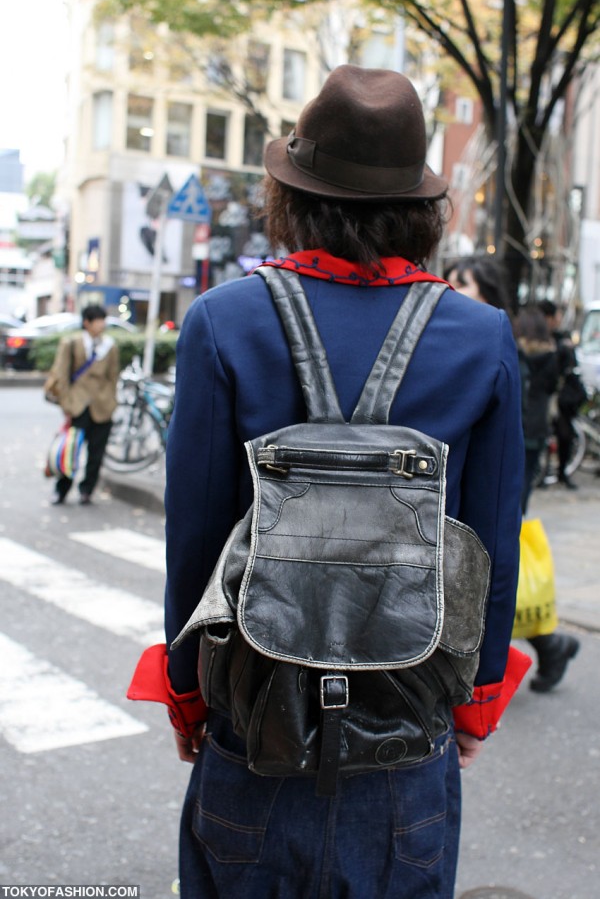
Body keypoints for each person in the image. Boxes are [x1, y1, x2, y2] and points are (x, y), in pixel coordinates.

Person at [128, 66, 530, 898]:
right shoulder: (481, 335)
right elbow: (491, 540)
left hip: (254, 727)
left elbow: (196, 535)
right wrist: (476, 701)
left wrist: (185, 697)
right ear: (420, 207)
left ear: (295, 195)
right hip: (406, 736)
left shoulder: (222, 322)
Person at [447, 255, 580, 693]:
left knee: (492, 556)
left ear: (485, 290)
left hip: (507, 464)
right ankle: (547, 644)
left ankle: (543, 644)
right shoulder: (463, 334)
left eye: (461, 282)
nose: (450, 287)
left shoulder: (497, 340)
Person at [44, 304, 119, 505]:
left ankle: (87, 490)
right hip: (78, 405)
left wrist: (111, 402)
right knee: (70, 451)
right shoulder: (72, 344)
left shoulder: (110, 346)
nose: (101, 324)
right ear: (87, 322)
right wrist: (67, 403)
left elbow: (113, 377)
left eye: (103, 320)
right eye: (97, 320)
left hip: (103, 406)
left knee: (97, 452)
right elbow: (60, 374)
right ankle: (62, 490)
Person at [539, 298, 586, 489]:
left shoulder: (560, 340)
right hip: (545, 396)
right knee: (544, 437)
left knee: (564, 436)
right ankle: (544, 473)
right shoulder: (540, 339)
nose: (557, 320)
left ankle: (561, 473)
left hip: (560, 398)